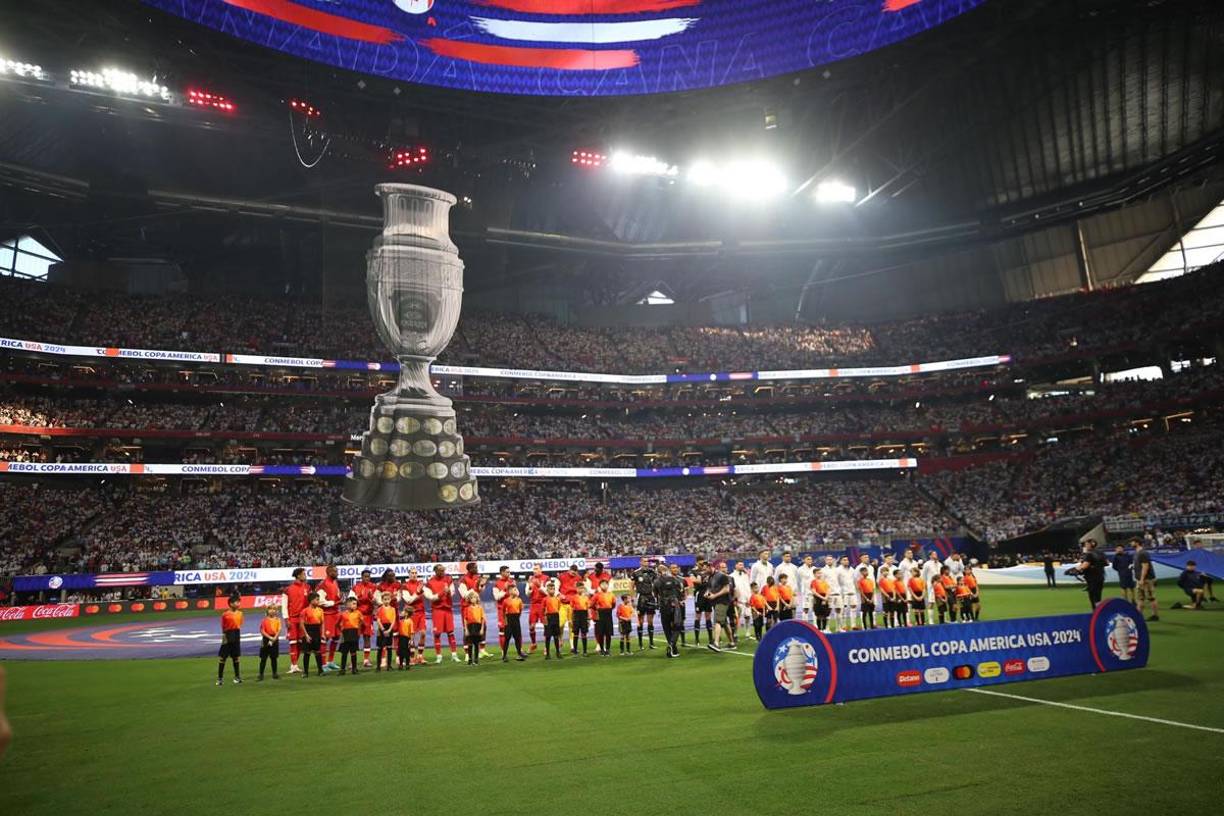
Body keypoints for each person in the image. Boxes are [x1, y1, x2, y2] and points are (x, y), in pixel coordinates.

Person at [424, 564, 461, 663]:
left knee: (451, 632)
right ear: (435, 571)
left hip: (448, 609)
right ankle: (439, 656)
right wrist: (442, 592)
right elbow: (431, 597)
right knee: (437, 634)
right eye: (440, 570)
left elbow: (453, 592)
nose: (442, 572)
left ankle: (454, 654)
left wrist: (448, 592)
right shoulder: (430, 582)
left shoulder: (448, 579)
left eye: (443, 570)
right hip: (437, 610)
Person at [280, 567, 312, 675]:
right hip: (292, 619)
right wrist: (286, 619)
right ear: (298, 575)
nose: (305, 575)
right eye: (303, 574)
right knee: (293, 642)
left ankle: (295, 665)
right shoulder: (288, 589)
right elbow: (284, 606)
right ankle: (293, 665)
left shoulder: (307, 587)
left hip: (303, 620)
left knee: (300, 643)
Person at [458, 563, 490, 658]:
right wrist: (475, 587)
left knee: (483, 626)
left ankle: (482, 650)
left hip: (477, 606)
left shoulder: (477, 577)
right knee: (467, 630)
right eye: (475, 568)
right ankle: (467, 654)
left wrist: (482, 585)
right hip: (466, 607)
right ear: (469, 569)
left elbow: (480, 591)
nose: (477, 569)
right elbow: (464, 595)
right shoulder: (463, 580)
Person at [655, 563, 686, 658]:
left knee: (666, 627)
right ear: (667, 570)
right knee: (678, 625)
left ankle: (673, 648)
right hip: (674, 604)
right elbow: (680, 591)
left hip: (663, 606)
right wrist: (680, 601)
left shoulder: (656, 581)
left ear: (658, 572)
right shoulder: (675, 579)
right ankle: (672, 645)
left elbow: (655, 594)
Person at [316, 565, 343, 671]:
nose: (337, 573)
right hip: (327, 615)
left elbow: (336, 597)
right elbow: (320, 601)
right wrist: (335, 602)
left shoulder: (335, 583)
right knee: (324, 639)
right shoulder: (323, 584)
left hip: (336, 614)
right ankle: (323, 664)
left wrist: (339, 599)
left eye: (337, 571)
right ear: (328, 572)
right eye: (334, 571)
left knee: (336, 638)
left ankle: (330, 661)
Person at [351, 569, 378, 668]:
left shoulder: (374, 587)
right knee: (355, 638)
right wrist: (359, 600)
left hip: (368, 616)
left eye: (368, 576)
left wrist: (372, 599)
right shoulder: (355, 587)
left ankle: (366, 660)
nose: (367, 578)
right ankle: (353, 661)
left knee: (367, 637)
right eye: (365, 576)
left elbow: (377, 602)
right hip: (357, 616)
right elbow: (351, 601)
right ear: (361, 577)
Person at [632, 557, 659, 651]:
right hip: (641, 597)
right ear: (640, 562)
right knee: (641, 621)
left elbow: (657, 584)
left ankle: (651, 643)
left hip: (650, 597)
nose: (646, 563)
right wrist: (633, 599)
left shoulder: (652, 572)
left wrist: (657, 597)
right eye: (644, 561)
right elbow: (631, 586)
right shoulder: (636, 573)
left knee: (650, 621)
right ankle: (640, 644)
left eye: (647, 561)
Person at [400, 569, 428, 661]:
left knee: (423, 633)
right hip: (411, 613)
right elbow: (408, 600)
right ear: (409, 574)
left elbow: (428, 595)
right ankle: (412, 657)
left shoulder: (421, 584)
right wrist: (418, 592)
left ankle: (420, 656)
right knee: (411, 635)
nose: (414, 574)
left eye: (416, 573)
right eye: (412, 573)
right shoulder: (405, 586)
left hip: (421, 612)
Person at [705, 560, 732, 652]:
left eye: (706, 569)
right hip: (716, 602)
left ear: (711, 567)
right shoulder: (710, 577)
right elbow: (709, 588)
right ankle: (732, 643)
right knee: (724, 623)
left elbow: (727, 589)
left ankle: (716, 643)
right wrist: (707, 593)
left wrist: (714, 595)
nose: (705, 571)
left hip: (722, 601)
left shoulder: (722, 576)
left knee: (717, 621)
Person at [216, 596, 243, 686]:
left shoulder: (240, 613)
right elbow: (223, 627)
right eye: (236, 602)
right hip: (228, 635)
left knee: (236, 657)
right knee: (223, 657)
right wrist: (224, 637)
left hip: (236, 634)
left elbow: (240, 624)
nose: (238, 604)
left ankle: (237, 677)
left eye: (239, 602)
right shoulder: (225, 614)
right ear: (231, 604)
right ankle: (220, 679)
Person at [558, 563, 584, 651]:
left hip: (573, 605)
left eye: (575, 573)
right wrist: (559, 594)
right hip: (563, 604)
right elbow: (556, 587)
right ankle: (560, 640)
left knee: (572, 625)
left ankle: (572, 646)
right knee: (560, 624)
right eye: (572, 572)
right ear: (569, 570)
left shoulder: (579, 578)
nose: (573, 574)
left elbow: (581, 589)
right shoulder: (562, 576)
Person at [1074, 541, 1108, 608]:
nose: (1085, 546)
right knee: (1098, 595)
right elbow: (1106, 563)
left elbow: (1085, 565)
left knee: (1093, 596)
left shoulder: (1089, 554)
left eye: (1086, 544)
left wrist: (1076, 569)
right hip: (1100, 576)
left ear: (1090, 545)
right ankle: (1099, 610)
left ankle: (1096, 612)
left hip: (1092, 577)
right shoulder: (1101, 553)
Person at [527, 566, 552, 652]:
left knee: (546, 625)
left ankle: (546, 647)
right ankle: (533, 643)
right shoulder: (531, 579)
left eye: (537, 569)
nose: (535, 570)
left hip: (543, 604)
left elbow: (548, 592)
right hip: (533, 604)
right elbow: (527, 594)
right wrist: (530, 589)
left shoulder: (546, 578)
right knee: (531, 626)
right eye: (534, 569)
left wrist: (539, 586)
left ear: (541, 569)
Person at [491, 565, 515, 655]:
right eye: (507, 572)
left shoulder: (512, 582)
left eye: (509, 572)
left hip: (513, 610)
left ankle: (519, 650)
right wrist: (505, 589)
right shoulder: (497, 584)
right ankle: (503, 651)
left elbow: (517, 594)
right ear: (502, 573)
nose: (509, 574)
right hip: (502, 611)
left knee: (516, 630)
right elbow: (496, 597)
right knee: (502, 631)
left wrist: (514, 590)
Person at [1133, 540, 1159, 622]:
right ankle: (1138, 617)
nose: (1131, 543)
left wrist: (1142, 579)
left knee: (1151, 598)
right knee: (1140, 598)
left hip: (1146, 579)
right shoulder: (1137, 553)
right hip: (1140, 579)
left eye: (1132, 542)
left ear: (1137, 542)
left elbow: (1145, 566)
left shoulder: (1142, 553)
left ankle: (1155, 615)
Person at [300, 592, 325, 677]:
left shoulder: (320, 610)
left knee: (318, 652)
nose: (318, 601)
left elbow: (322, 623)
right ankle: (305, 672)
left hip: (316, 632)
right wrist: (306, 635)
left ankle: (320, 670)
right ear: (311, 600)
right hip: (308, 631)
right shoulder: (305, 611)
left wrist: (323, 634)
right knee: (307, 653)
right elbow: (302, 624)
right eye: (317, 599)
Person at [501, 585, 527, 662]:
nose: (516, 591)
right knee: (507, 638)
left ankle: (519, 654)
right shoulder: (506, 601)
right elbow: (503, 612)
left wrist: (517, 619)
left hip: (516, 620)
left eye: (516, 589)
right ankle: (504, 655)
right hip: (509, 620)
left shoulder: (519, 600)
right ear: (510, 591)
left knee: (517, 638)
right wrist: (505, 621)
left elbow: (520, 610)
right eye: (514, 590)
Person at [338, 598, 363, 675]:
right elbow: (338, 624)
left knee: (353, 652)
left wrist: (358, 629)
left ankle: (354, 669)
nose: (355, 605)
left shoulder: (358, 613)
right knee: (344, 652)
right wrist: (342, 630)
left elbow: (361, 622)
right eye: (353, 604)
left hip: (354, 634)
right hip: (345, 634)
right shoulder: (343, 614)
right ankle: (342, 669)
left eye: (356, 604)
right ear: (347, 605)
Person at [258, 604, 281, 681]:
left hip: (275, 639)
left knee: (274, 658)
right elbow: (262, 630)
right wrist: (270, 638)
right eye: (270, 609)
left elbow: (279, 630)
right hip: (266, 639)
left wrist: (274, 638)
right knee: (263, 658)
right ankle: (261, 674)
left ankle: (275, 673)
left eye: (274, 609)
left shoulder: (278, 620)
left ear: (276, 611)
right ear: (267, 611)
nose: (272, 610)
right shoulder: (264, 620)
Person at [592, 580, 616, 657]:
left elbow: (613, 604)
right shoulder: (597, 595)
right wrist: (597, 609)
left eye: (606, 584)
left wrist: (608, 609)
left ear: (608, 585)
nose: (604, 586)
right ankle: (602, 649)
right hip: (600, 614)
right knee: (601, 633)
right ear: (599, 586)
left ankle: (608, 649)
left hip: (608, 614)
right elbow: (591, 604)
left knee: (608, 633)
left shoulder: (611, 594)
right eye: (602, 584)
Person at [730, 561, 753, 638]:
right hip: (738, 600)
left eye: (742, 565)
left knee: (748, 616)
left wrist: (749, 598)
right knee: (737, 618)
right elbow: (732, 589)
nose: (741, 566)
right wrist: (734, 600)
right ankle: (735, 633)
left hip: (747, 600)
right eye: (740, 565)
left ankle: (748, 632)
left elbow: (749, 586)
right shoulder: (731, 576)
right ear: (735, 565)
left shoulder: (746, 575)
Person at [375, 593, 396, 672]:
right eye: (385, 599)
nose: (387, 601)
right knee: (380, 648)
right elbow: (378, 620)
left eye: (388, 599)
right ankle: (378, 666)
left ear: (390, 599)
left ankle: (389, 666)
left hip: (389, 628)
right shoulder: (379, 609)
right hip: (382, 629)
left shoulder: (393, 609)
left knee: (389, 647)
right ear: (382, 600)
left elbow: (393, 620)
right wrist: (383, 630)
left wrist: (389, 630)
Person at [836, 556, 858, 631]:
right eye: (844, 560)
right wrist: (840, 591)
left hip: (852, 591)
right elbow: (837, 581)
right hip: (844, 593)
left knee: (853, 608)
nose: (846, 561)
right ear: (841, 561)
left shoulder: (852, 569)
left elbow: (854, 580)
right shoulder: (838, 570)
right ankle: (844, 625)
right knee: (844, 610)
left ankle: (853, 625)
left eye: (847, 560)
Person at [542, 583, 564, 660]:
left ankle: (558, 652)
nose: (552, 590)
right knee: (548, 636)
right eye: (550, 589)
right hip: (548, 617)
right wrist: (544, 619)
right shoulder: (545, 599)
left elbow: (558, 607)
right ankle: (547, 653)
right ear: (547, 590)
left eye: (553, 589)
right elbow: (543, 609)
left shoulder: (557, 599)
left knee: (556, 635)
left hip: (555, 617)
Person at [462, 592, 485, 665]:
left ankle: (476, 659)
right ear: (469, 599)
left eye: (474, 597)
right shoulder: (467, 609)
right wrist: (466, 629)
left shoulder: (480, 608)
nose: (473, 599)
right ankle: (470, 659)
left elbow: (482, 619)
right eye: (471, 598)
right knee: (470, 644)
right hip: (470, 626)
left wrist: (481, 629)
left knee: (476, 643)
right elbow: (465, 619)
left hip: (478, 626)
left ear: (477, 598)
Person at [570, 584, 591, 656]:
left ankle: (585, 651)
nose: (580, 590)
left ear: (583, 589)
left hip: (584, 615)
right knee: (575, 633)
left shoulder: (586, 598)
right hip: (576, 615)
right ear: (576, 589)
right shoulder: (573, 598)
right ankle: (575, 650)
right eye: (579, 588)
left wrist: (589, 618)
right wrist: (571, 619)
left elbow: (588, 608)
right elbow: (572, 609)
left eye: (581, 588)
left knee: (584, 633)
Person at [921, 552, 942, 624]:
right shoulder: (927, 564)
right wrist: (924, 586)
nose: (935, 555)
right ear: (930, 556)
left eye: (936, 554)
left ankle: (942, 619)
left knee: (941, 602)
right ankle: (930, 620)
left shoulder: (940, 564)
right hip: (931, 586)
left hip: (939, 586)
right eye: (933, 554)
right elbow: (923, 576)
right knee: (931, 602)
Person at [796, 555, 816, 625]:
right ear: (804, 560)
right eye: (808, 559)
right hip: (806, 593)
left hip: (814, 593)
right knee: (805, 609)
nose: (810, 561)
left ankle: (815, 625)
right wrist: (800, 591)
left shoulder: (815, 569)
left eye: (810, 559)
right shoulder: (800, 569)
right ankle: (806, 625)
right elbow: (798, 581)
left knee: (814, 609)